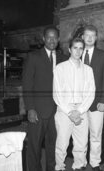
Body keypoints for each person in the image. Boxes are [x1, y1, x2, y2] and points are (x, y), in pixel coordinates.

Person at [22, 26, 67, 171]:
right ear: (43, 39)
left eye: (55, 37)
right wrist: (30, 108)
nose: (52, 40)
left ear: (59, 40)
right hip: (38, 110)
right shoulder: (33, 57)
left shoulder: (63, 58)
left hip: (57, 111)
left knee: (52, 146)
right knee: (34, 146)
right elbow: (27, 84)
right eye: (49, 37)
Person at [53, 37, 96, 171]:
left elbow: (91, 92)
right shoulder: (60, 68)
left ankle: (79, 166)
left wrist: (80, 110)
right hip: (64, 111)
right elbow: (57, 93)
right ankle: (59, 167)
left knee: (81, 144)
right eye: (75, 48)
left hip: (82, 110)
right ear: (69, 49)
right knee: (62, 144)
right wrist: (70, 112)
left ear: (83, 50)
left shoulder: (88, 70)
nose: (78, 51)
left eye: (81, 48)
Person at [81, 25, 104, 171]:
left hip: (97, 104)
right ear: (82, 37)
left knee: (96, 135)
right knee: (80, 136)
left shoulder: (103, 55)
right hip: (78, 104)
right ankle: (80, 163)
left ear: (96, 38)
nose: (90, 38)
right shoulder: (75, 53)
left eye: (93, 35)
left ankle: (94, 163)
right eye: (87, 35)